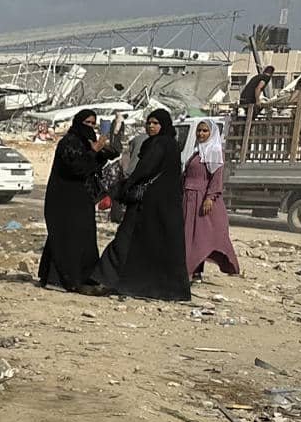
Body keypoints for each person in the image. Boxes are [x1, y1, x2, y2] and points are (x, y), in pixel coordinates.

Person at [88, 108, 188, 301]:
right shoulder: (171, 144)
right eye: (149, 123)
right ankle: (160, 288)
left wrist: (125, 187)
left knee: (125, 238)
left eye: (155, 123)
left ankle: (105, 279)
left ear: (164, 125)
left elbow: (144, 170)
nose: (151, 126)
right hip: (165, 207)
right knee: (157, 245)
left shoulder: (159, 144)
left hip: (146, 204)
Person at [38, 109, 118, 291]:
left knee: (82, 236)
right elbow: (76, 168)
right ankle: (58, 280)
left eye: (93, 124)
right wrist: (94, 151)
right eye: (87, 123)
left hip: (82, 198)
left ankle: (81, 277)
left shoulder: (86, 142)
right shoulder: (69, 142)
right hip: (65, 198)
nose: (89, 127)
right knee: (66, 236)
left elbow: (99, 161)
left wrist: (103, 148)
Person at [183, 119, 239, 279]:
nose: (201, 134)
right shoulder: (198, 151)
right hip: (189, 198)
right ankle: (194, 270)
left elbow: (216, 178)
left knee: (201, 235)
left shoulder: (214, 151)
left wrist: (210, 198)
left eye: (205, 131)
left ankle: (190, 270)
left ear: (212, 133)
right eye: (199, 130)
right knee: (190, 235)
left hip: (201, 199)